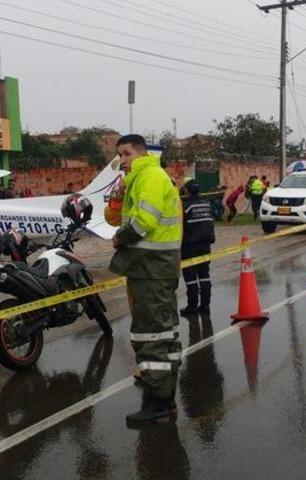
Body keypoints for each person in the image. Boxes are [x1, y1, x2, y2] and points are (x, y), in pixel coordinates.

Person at [109, 134, 182, 426]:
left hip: (152, 268)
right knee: (165, 335)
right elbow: (117, 215)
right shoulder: (139, 178)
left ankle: (158, 404)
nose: (122, 161)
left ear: (140, 153)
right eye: (120, 156)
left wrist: (119, 238)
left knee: (151, 336)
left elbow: (143, 222)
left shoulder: (150, 176)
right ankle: (164, 399)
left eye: (126, 155)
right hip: (152, 268)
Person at [179, 180, 215, 316]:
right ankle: (205, 305)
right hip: (205, 245)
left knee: (190, 277)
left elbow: (181, 226)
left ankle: (192, 306)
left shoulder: (184, 206)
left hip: (189, 246)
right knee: (204, 275)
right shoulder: (207, 204)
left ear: (186, 191)